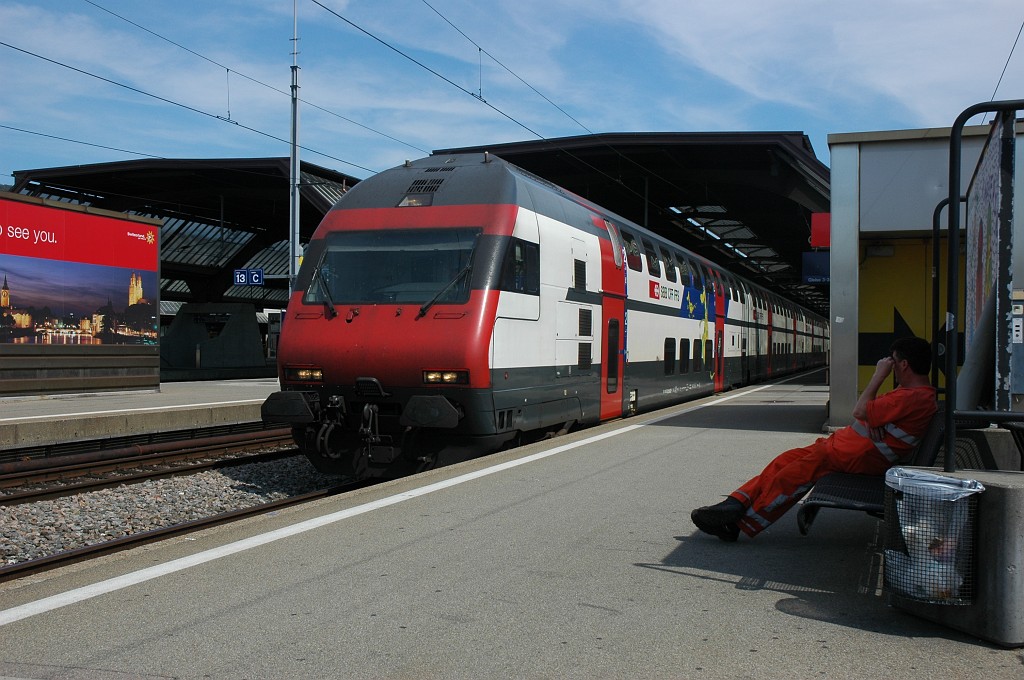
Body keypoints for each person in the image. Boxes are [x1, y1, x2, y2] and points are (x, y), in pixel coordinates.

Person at [691, 336, 937, 542]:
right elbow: (871, 414)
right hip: (846, 449)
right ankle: (735, 502)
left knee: (792, 475)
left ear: (904, 365)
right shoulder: (910, 394)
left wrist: (877, 377)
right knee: (785, 459)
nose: (889, 366)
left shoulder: (911, 397)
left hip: (854, 457)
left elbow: (860, 411)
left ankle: (740, 524)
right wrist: (874, 420)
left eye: (892, 362)